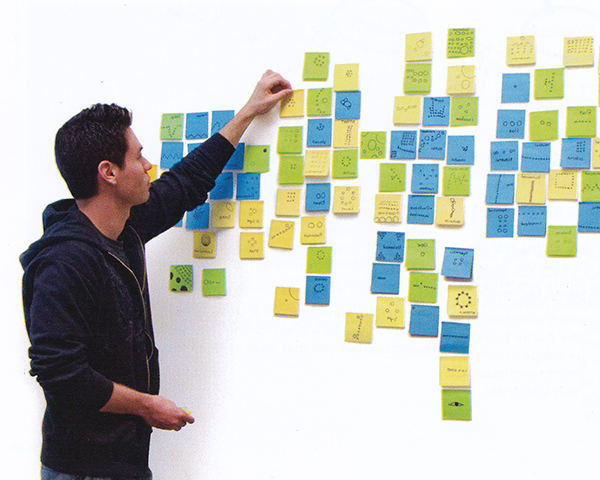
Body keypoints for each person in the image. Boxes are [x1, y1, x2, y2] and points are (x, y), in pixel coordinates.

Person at [20, 70, 292, 480]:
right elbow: (62, 376)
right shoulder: (64, 263)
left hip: (121, 461)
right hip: (82, 469)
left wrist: (249, 112)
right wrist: (147, 406)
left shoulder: (123, 227)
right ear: (108, 172)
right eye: (139, 157)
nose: (149, 166)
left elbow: (186, 183)